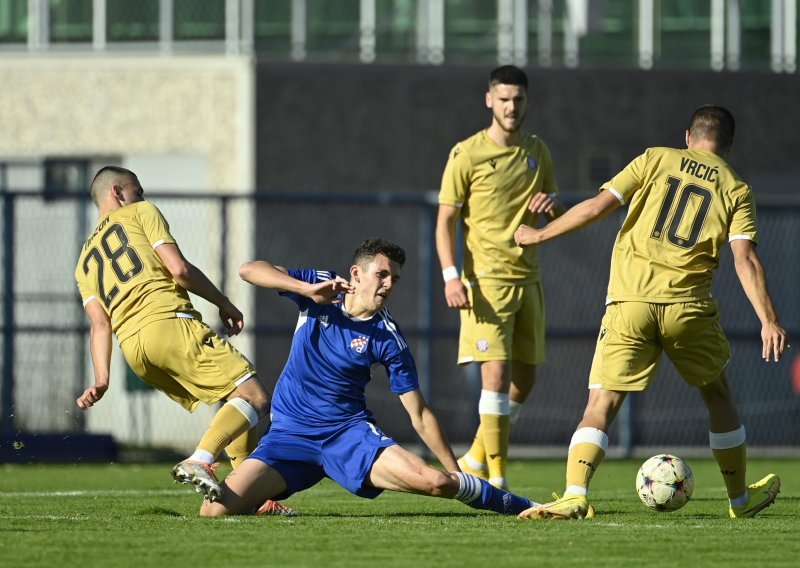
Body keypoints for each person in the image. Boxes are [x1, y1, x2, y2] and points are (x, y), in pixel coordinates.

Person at [514, 105, 789, 520]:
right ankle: (738, 500)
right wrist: (768, 318)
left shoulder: (656, 157)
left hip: (630, 301)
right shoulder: (736, 187)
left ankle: (574, 494)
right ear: (727, 146)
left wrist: (539, 233)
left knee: (601, 401)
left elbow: (596, 206)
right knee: (717, 395)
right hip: (688, 307)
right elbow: (745, 259)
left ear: (688, 136)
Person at [199, 238, 540, 518]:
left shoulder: (387, 336)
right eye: (382, 274)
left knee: (439, 483)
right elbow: (249, 270)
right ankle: (262, 498)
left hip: (347, 436)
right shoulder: (321, 288)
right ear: (356, 274)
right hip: (290, 435)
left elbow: (419, 413)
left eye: (395, 279)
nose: (389, 284)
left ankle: (530, 508)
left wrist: (455, 471)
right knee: (213, 511)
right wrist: (305, 289)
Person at [74, 165, 272, 501]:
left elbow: (100, 324)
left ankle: (250, 496)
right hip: (167, 321)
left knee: (235, 400)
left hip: (135, 351)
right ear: (118, 193)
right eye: (137, 190)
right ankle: (200, 459)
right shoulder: (141, 211)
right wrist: (224, 302)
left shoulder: (84, 261)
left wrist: (102, 379)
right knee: (254, 395)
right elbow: (179, 269)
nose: (143, 196)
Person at [435, 65, 564, 490]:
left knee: (525, 379)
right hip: (485, 284)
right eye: (504, 99)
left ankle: (475, 454)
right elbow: (445, 222)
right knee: (494, 374)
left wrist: (552, 208)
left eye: (519, 99)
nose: (511, 106)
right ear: (489, 100)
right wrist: (452, 277)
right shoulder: (466, 153)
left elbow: (554, 207)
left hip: (530, 279)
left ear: (527, 102)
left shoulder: (537, 150)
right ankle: (497, 478)